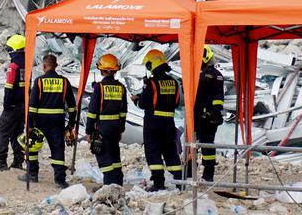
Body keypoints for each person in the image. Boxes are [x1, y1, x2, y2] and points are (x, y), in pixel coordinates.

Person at [22, 53, 76, 189]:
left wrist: (29, 125)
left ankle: (32, 174)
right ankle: (60, 180)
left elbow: (32, 106)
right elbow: (71, 105)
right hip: (57, 121)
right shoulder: (64, 82)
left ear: (44, 66)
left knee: (32, 145)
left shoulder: (39, 81)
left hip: (40, 121)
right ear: (56, 66)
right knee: (58, 149)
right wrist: (71, 124)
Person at [134, 49, 183, 191]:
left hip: (153, 124)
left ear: (152, 64)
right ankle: (179, 181)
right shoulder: (174, 82)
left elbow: (143, 104)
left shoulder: (151, 83)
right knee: (170, 152)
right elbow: (176, 102)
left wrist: (136, 99)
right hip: (169, 123)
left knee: (153, 152)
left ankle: (158, 183)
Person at [85, 54, 127, 186]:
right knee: (115, 156)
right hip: (115, 128)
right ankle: (118, 183)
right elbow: (123, 112)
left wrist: (89, 131)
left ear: (102, 70)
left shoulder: (99, 88)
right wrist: (121, 129)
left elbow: (92, 113)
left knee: (104, 157)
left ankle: (109, 186)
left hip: (102, 128)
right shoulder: (121, 87)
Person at [0, 34, 27, 172]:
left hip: (13, 106)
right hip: (23, 105)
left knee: (2, 133)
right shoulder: (27, 66)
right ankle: (18, 161)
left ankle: (1, 161)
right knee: (17, 133)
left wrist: (6, 105)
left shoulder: (13, 66)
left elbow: (9, 87)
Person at [192, 45, 225, 182]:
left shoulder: (215, 76)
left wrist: (214, 113)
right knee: (193, 145)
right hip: (196, 115)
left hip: (207, 117)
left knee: (207, 146)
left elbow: (218, 98)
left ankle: (208, 174)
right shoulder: (195, 74)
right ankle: (190, 173)